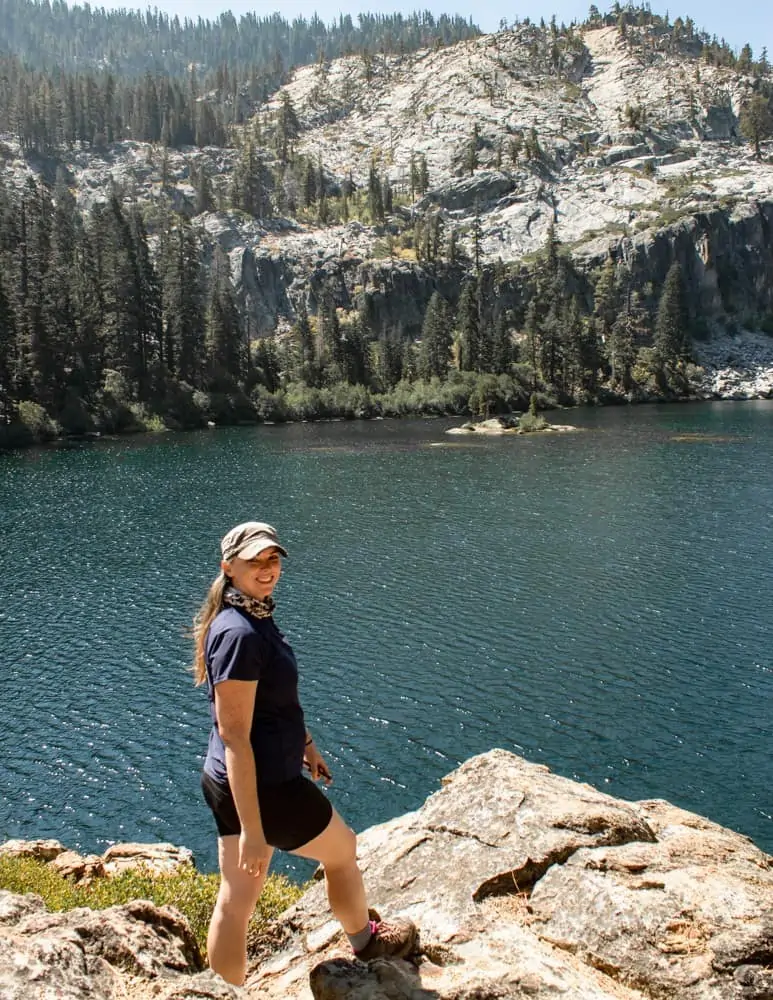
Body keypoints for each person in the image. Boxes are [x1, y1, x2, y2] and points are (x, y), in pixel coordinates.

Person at [193, 520, 418, 986]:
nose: (267, 568)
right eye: (255, 560)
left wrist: (307, 744)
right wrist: (255, 829)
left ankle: (219, 992)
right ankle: (367, 940)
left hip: (229, 779)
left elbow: (272, 706)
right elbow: (237, 736)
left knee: (236, 899)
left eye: (272, 559)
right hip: (266, 788)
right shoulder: (241, 634)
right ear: (228, 567)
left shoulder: (249, 615)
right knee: (342, 852)